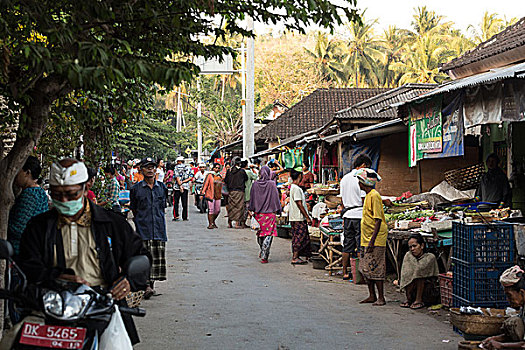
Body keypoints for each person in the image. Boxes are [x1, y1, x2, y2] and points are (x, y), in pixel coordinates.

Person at [17, 158, 149, 345]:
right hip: (51, 311)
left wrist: (129, 280)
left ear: (86, 189)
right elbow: (27, 265)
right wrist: (56, 277)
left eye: (71, 195)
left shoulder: (113, 224)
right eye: (57, 195)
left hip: (102, 309)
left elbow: (141, 258)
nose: (64, 201)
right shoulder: (38, 227)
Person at [130, 157, 168, 299]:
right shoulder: (136, 189)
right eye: (147, 167)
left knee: (155, 259)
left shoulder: (162, 187)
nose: (150, 170)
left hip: (158, 228)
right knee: (144, 258)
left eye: (152, 167)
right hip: (143, 228)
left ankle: (151, 286)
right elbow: (134, 208)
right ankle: (145, 285)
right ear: (141, 169)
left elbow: (162, 207)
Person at [356, 168, 388, 307]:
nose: (358, 184)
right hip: (366, 238)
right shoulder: (368, 196)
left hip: (375, 239)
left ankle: (381, 297)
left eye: (359, 181)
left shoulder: (374, 196)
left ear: (364, 183)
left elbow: (378, 220)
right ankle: (371, 295)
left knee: (376, 268)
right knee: (365, 268)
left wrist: (372, 241)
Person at [7, 156, 49, 255]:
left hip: (21, 252)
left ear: (27, 173)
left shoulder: (30, 195)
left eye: (18, 170)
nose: (15, 175)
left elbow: (17, 228)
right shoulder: (40, 192)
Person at [339, 155, 372, 280]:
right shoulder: (360, 178)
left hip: (347, 215)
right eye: (367, 167)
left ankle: (344, 272)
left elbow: (342, 200)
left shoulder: (344, 179)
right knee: (360, 244)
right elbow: (364, 200)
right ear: (363, 165)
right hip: (359, 215)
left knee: (347, 245)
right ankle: (361, 273)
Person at [481, 265, 525, 349]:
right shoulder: (523, 307)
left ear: (522, 293)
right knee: (513, 322)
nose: (508, 300)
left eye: (509, 296)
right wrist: (495, 339)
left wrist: (501, 345)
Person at [249, 166, 281, 263]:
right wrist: (279, 210)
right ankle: (264, 255)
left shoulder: (255, 185)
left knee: (260, 234)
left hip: (259, 215)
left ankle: (262, 250)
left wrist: (251, 210)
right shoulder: (272, 184)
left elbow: (252, 198)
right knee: (269, 235)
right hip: (270, 215)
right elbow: (276, 198)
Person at [399, 234, 440, 309]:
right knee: (408, 274)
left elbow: (421, 271)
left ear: (422, 246)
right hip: (412, 289)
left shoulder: (430, 257)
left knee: (420, 275)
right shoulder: (408, 256)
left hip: (428, 291)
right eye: (410, 247)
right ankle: (409, 299)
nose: (412, 249)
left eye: (415, 246)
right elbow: (405, 274)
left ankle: (419, 300)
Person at [289, 169, 312, 264]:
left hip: (295, 217)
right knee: (299, 236)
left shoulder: (294, 188)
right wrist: (307, 216)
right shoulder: (296, 189)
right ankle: (295, 257)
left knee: (302, 236)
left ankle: (304, 255)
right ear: (299, 177)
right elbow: (299, 203)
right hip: (298, 217)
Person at [224, 157, 248, 229]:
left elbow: (226, 180)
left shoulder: (229, 171)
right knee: (239, 207)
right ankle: (237, 223)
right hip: (240, 191)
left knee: (231, 207)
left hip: (231, 191)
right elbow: (246, 179)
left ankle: (230, 223)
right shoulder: (242, 171)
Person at [202, 163, 223, 229]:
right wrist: (202, 193)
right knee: (211, 210)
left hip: (218, 195)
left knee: (217, 210)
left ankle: (213, 221)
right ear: (213, 168)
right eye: (216, 168)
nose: (217, 169)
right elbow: (205, 184)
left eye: (218, 168)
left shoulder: (220, 176)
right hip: (210, 195)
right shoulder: (209, 175)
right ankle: (210, 223)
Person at [173, 156, 193, 221]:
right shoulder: (188, 168)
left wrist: (180, 185)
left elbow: (177, 177)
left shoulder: (176, 167)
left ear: (179, 161)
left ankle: (176, 216)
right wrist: (183, 182)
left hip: (177, 187)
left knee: (176, 202)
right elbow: (190, 177)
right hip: (185, 187)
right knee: (184, 203)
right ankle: (185, 217)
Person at [243, 160, 258, 224]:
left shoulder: (240, 171)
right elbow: (255, 177)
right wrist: (252, 169)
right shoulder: (249, 172)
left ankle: (240, 222)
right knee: (247, 207)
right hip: (248, 192)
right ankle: (243, 222)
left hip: (240, 192)